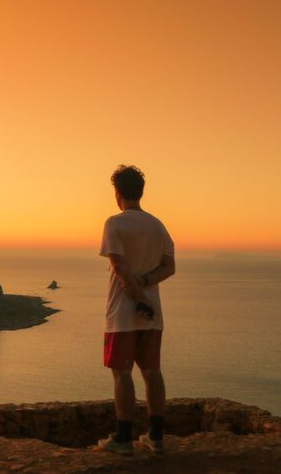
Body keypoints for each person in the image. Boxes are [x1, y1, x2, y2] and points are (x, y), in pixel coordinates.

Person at [96, 165, 175, 455]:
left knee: (122, 373)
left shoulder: (115, 223)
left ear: (117, 193)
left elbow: (118, 267)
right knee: (152, 371)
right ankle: (156, 437)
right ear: (141, 192)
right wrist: (146, 286)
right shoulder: (158, 225)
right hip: (153, 314)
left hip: (123, 314)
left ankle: (124, 439)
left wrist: (137, 297)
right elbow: (170, 267)